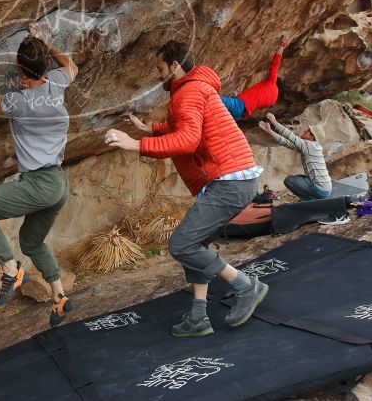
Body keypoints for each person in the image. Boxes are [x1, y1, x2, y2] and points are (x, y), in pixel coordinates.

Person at [108, 39, 268, 338]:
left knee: (182, 245)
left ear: (175, 66)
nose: (158, 75)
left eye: (160, 68)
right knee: (196, 246)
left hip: (228, 181)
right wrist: (148, 128)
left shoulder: (187, 92)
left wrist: (135, 144)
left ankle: (247, 287)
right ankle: (197, 317)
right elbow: (185, 127)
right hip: (233, 178)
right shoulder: (195, 89)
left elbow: (187, 140)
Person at [0, 22, 78, 328]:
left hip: (39, 184)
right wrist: (46, 42)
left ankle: (10, 270)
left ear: (18, 69)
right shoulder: (55, 84)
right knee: (31, 241)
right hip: (58, 184)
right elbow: (71, 66)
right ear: (46, 66)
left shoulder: (20, 102)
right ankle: (59, 297)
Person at [258, 114, 348, 225]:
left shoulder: (310, 146)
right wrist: (269, 131)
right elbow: (286, 142)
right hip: (324, 187)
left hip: (320, 189)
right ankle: (310, 200)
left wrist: (275, 123)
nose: (304, 131)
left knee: (290, 180)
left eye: (307, 131)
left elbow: (291, 137)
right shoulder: (309, 146)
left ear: (312, 136)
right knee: (296, 179)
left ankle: (310, 202)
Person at [221, 38, 286, 120]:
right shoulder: (272, 101)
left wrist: (282, 45)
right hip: (240, 113)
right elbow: (256, 99)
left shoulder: (272, 83)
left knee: (213, 99)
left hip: (239, 104)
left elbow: (275, 64)